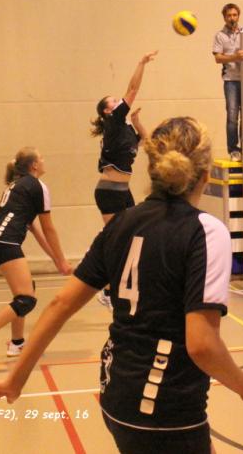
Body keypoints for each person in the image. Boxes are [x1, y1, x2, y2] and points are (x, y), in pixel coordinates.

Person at [0, 117, 243, 454]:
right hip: (166, 409)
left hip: (116, 396)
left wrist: (15, 379)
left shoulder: (121, 223)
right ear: (206, 177)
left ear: (151, 169)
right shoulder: (206, 232)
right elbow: (202, 344)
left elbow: (60, 304)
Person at [0, 147, 72, 367]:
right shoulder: (37, 186)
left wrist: (55, 260)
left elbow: (35, 230)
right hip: (5, 243)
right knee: (26, 300)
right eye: (41, 158)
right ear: (34, 165)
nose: (44, 160)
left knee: (26, 290)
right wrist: (62, 260)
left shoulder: (19, 186)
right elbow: (49, 228)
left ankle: (17, 343)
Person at [90, 51, 158, 308]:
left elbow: (147, 141)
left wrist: (137, 121)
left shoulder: (125, 128)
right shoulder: (113, 122)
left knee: (135, 236)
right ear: (108, 111)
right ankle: (107, 290)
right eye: (114, 101)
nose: (119, 101)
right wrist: (141, 63)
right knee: (117, 240)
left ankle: (123, 284)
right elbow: (132, 89)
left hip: (123, 191)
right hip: (108, 192)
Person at [212, 3, 243, 161]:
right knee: (232, 115)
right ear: (224, 17)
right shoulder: (220, 36)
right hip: (231, 80)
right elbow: (218, 58)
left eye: (234, 15)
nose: (232, 18)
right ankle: (233, 150)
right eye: (229, 15)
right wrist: (235, 57)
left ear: (238, 16)